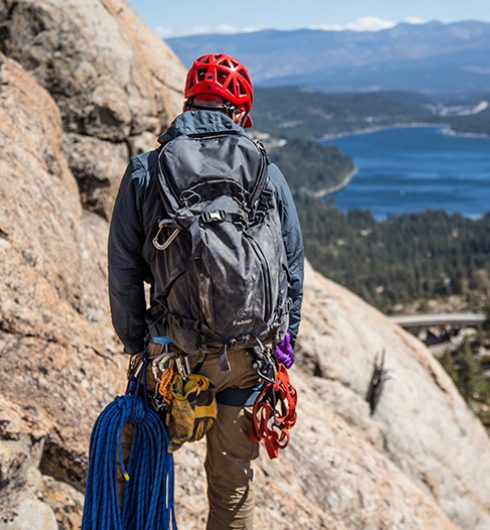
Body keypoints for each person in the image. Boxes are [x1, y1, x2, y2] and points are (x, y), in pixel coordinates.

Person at [107, 53, 304, 530]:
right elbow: (292, 268)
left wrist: (137, 344)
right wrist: (283, 348)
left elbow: (124, 270)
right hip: (247, 358)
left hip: (173, 356)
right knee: (232, 484)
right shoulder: (265, 173)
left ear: (188, 102)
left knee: (139, 465)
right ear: (241, 113)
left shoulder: (147, 171)